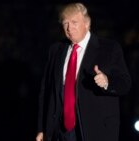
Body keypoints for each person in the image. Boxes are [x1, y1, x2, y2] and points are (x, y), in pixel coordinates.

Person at [36, 2, 131, 141]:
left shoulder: (108, 49)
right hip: (59, 132)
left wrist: (107, 82)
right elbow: (45, 92)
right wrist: (42, 129)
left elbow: (125, 83)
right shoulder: (56, 50)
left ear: (87, 23)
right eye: (65, 23)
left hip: (94, 130)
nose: (69, 28)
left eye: (74, 22)